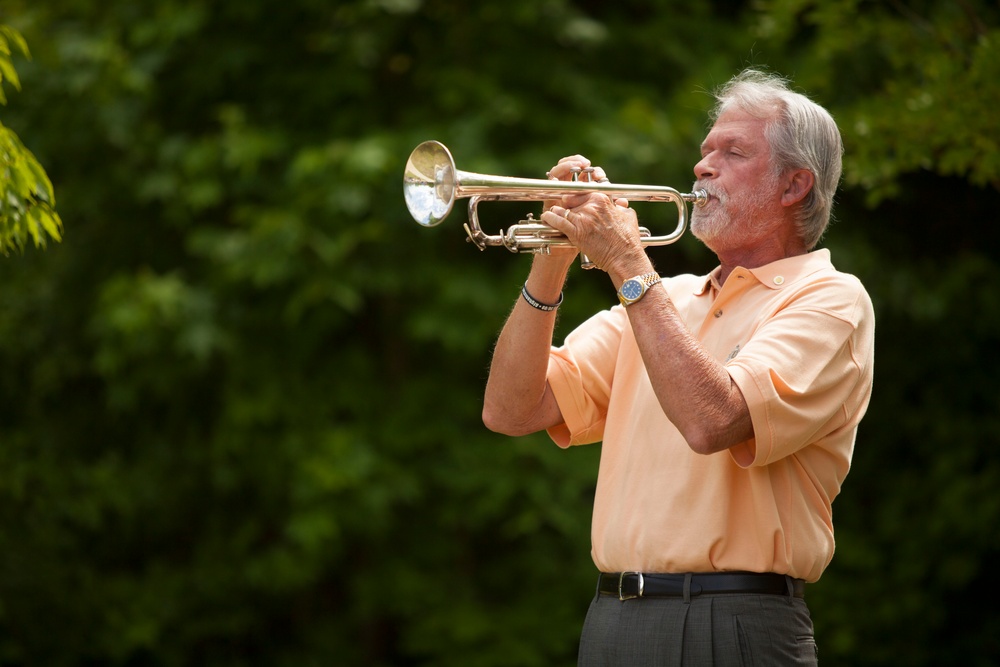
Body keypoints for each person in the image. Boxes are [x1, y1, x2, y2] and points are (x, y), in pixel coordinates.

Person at [481, 69, 875, 666]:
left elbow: (711, 420)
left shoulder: (829, 299)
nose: (702, 167)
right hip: (613, 618)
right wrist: (551, 259)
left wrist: (626, 263)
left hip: (735, 620)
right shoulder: (665, 298)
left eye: (733, 152)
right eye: (705, 151)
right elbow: (510, 411)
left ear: (795, 185)